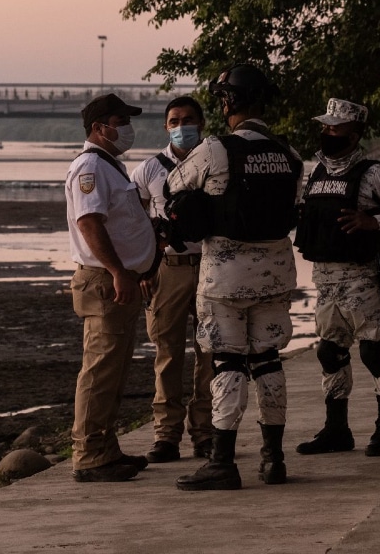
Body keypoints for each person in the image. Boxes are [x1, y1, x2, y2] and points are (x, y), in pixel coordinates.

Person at [167, 64, 303, 490]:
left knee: (226, 363)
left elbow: (174, 184)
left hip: (225, 276)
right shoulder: (290, 155)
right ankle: (274, 459)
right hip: (276, 273)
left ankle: (222, 460)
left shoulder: (215, 149)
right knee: (268, 361)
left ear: (229, 102)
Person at [294, 98, 380, 457]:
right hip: (324, 279)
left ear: (355, 133)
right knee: (330, 353)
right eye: (325, 126)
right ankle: (336, 430)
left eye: (335, 127)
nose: (327, 131)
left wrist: (374, 222)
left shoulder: (373, 173)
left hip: (361, 277)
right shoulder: (315, 172)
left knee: (378, 353)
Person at [64, 92, 159, 482]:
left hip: (121, 279)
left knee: (115, 370)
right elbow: (89, 223)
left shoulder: (109, 165)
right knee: (100, 370)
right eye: (121, 122)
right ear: (99, 128)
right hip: (105, 282)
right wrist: (120, 271)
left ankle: (105, 448)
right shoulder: (90, 167)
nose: (127, 129)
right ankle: (88, 456)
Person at [130, 96, 214, 463]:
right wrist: (143, 269)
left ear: (202, 123)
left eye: (190, 119)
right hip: (170, 268)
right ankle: (166, 435)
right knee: (167, 354)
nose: (182, 126)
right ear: (166, 126)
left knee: (210, 354)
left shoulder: (217, 161)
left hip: (213, 265)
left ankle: (206, 432)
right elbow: (133, 222)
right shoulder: (149, 169)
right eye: (175, 120)